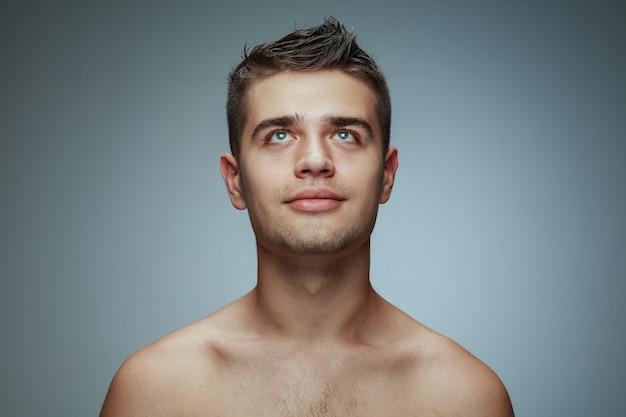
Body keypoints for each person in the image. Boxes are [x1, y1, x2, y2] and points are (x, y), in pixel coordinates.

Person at [100, 17, 514, 417]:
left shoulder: (465, 397)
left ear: (387, 175)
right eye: (279, 135)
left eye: (345, 134)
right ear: (235, 180)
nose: (315, 160)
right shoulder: (154, 391)